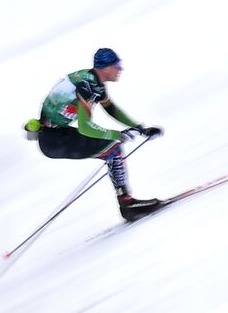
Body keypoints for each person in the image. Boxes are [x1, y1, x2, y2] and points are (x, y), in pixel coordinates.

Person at [32, 48, 164, 221]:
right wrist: (118, 135)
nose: (121, 69)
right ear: (106, 68)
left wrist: (140, 128)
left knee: (112, 148)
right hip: (54, 140)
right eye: (117, 65)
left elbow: (112, 110)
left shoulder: (94, 83)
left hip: (56, 134)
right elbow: (85, 127)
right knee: (113, 148)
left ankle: (126, 202)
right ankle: (127, 204)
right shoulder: (87, 86)